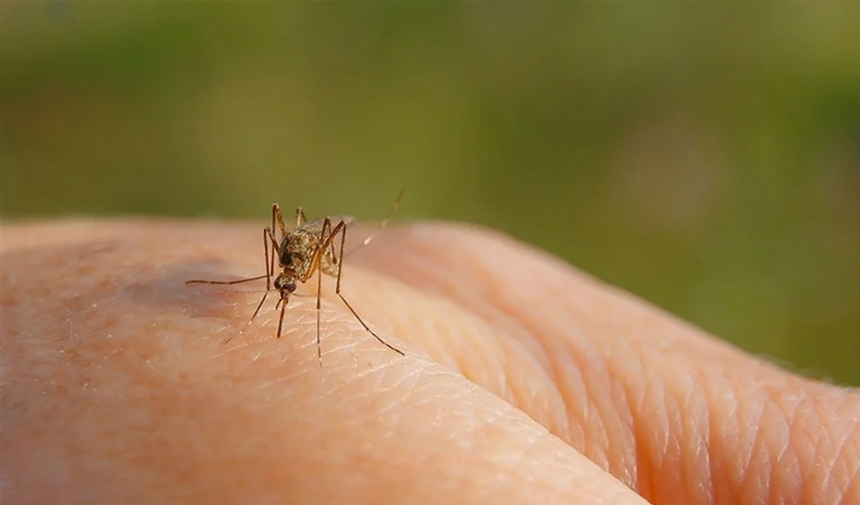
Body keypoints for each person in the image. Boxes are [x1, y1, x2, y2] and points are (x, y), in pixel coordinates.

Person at [2, 220, 857, 504]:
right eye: (288, 279)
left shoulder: (316, 259)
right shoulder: (279, 254)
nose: (288, 282)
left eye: (291, 279)